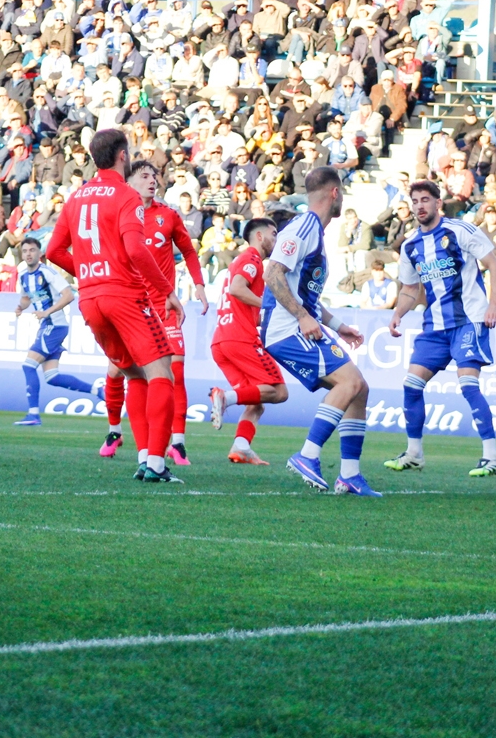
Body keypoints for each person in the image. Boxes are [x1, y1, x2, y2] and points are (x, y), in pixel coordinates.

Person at [45, 129, 185, 483]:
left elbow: (53, 252)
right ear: (123, 155)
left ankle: (143, 456)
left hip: (91, 299)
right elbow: (137, 250)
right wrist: (166, 290)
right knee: (162, 375)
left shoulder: (76, 197)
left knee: (134, 374)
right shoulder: (125, 195)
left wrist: (93, 272)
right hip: (125, 296)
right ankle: (156, 463)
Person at [261, 167, 374, 495]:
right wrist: (300, 317)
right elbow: (273, 274)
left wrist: (339, 327)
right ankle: (307, 454)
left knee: (360, 388)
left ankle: (349, 475)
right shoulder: (304, 226)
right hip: (285, 330)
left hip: (295, 325)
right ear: (335, 193)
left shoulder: (313, 231)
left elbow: (303, 294)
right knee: (349, 382)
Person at [382, 180, 496, 477]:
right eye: (415, 201)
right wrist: (398, 312)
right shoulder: (411, 245)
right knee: (411, 385)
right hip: (434, 326)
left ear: (438, 203)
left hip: (468, 319)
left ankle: (492, 457)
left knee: (467, 385)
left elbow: (494, 265)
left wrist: (494, 304)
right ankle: (414, 453)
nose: (420, 206)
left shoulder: (460, 231)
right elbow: (411, 289)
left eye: (426, 200)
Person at [96, 161, 208, 466]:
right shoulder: (118, 212)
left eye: (154, 176)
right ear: (129, 182)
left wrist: (198, 285)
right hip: (129, 306)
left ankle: (178, 442)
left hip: (164, 305)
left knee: (174, 372)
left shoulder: (168, 215)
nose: (152, 181)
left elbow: (188, 250)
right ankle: (115, 430)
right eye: (144, 176)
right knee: (120, 371)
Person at [208, 217, 288, 465]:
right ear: (260, 236)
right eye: (274, 234)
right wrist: (270, 306)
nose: (276, 240)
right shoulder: (251, 258)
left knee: (257, 399)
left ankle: (241, 447)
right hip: (240, 338)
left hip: (222, 340)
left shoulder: (240, 262)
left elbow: (240, 299)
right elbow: (236, 289)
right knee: (279, 391)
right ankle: (225, 398)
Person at [11, 237, 101, 427]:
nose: (28, 254)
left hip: (55, 325)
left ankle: (33, 414)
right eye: (25, 251)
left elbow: (68, 295)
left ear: (40, 253)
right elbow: (27, 298)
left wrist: (47, 312)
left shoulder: (47, 272)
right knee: (52, 377)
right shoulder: (24, 276)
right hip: (47, 326)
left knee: (28, 366)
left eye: (32, 250)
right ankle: (98, 391)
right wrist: (20, 307)